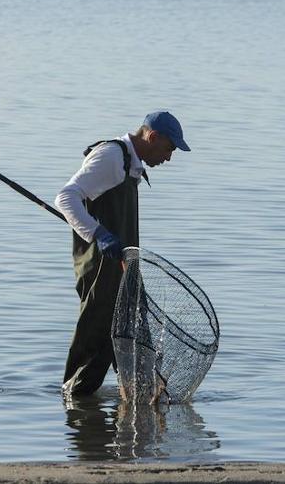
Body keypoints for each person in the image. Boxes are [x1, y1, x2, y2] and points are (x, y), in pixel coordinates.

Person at [54, 110, 190, 397]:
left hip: (124, 268)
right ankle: (76, 409)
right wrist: (99, 234)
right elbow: (65, 197)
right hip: (101, 268)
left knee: (130, 338)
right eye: (169, 148)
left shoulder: (131, 164)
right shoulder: (111, 157)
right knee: (97, 341)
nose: (168, 158)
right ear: (152, 137)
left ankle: (138, 400)